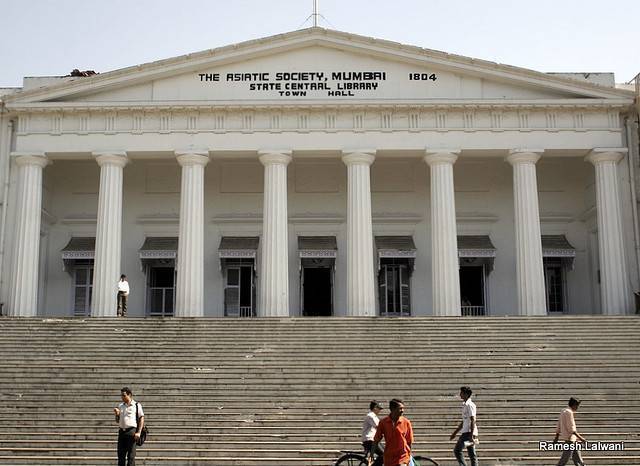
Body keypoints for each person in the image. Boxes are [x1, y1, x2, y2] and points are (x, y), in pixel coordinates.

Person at [371, 398, 413, 466]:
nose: (402, 411)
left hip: (403, 457)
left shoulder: (406, 422)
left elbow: (409, 442)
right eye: (400, 408)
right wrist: (371, 454)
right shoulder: (383, 423)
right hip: (389, 458)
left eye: (403, 408)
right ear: (392, 409)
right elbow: (376, 439)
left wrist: (408, 457)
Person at [114, 386, 144, 466]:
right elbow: (117, 421)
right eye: (121, 395)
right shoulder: (120, 406)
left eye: (124, 395)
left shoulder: (137, 405)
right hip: (122, 432)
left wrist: (139, 432)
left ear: (129, 395)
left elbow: (141, 418)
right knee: (121, 456)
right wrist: (117, 415)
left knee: (131, 456)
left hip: (131, 432)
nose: (122, 397)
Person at [450, 386, 479, 466]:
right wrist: (455, 433)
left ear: (466, 394)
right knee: (471, 454)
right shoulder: (465, 405)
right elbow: (464, 421)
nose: (460, 394)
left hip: (468, 433)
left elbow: (473, 420)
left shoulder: (470, 405)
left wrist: (471, 435)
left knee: (457, 450)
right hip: (466, 432)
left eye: (461, 393)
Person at [554, 397, 587, 466]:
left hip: (572, 439)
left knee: (578, 459)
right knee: (564, 459)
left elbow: (559, 424)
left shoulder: (563, 411)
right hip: (570, 439)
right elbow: (571, 429)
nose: (578, 407)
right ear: (574, 405)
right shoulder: (569, 412)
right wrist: (581, 438)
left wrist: (556, 437)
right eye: (577, 405)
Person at [362, 400, 384, 466]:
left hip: (374, 440)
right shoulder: (371, 416)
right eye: (379, 408)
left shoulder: (374, 416)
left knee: (386, 453)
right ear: (375, 407)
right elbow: (378, 427)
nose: (380, 410)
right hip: (369, 440)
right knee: (384, 455)